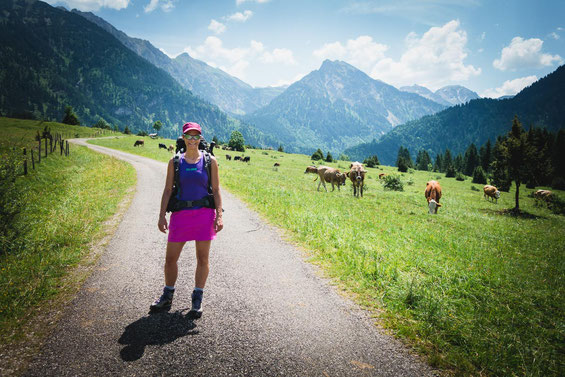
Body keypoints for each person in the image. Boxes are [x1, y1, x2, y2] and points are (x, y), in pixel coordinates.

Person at [151, 122, 223, 319]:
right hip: (180, 216)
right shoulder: (175, 161)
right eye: (188, 136)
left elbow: (216, 190)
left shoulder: (210, 161)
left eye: (196, 136)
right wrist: (161, 215)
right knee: (170, 259)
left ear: (200, 138)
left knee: (202, 259)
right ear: (183, 138)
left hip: (204, 215)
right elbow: (167, 190)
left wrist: (219, 216)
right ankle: (168, 294)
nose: (192, 140)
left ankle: (197, 297)